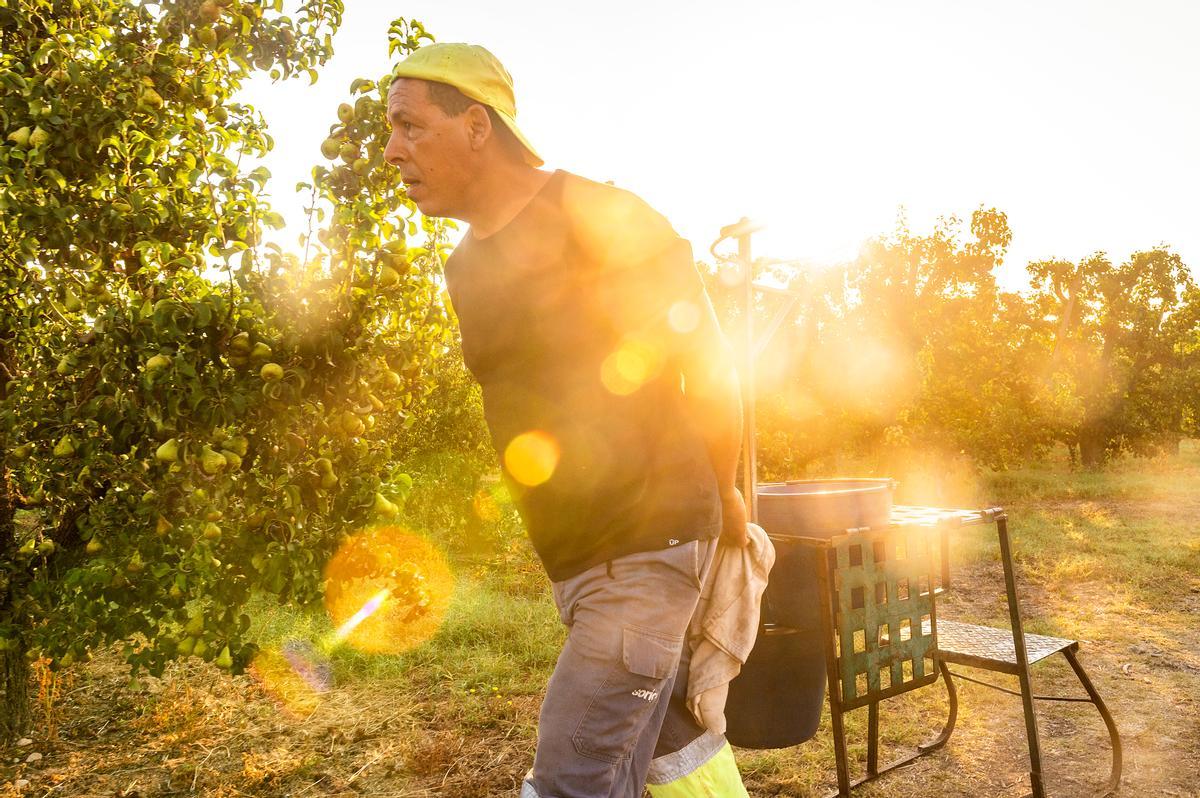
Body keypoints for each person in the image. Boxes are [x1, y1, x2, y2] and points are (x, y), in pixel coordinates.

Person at [385, 42, 751, 798]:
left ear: (477, 127)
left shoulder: (606, 218)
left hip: (649, 548)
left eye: (409, 127)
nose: (393, 152)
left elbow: (711, 367)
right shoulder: (464, 268)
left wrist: (730, 493)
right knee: (645, 763)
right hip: (582, 565)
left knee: (569, 781)